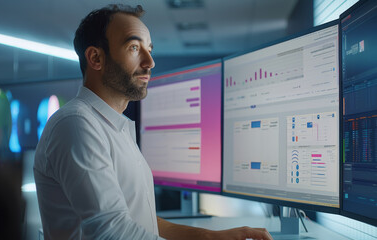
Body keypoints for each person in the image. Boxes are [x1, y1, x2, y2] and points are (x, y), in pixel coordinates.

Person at [34, 4, 273, 240]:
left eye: (149, 49)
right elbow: (113, 232)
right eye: (135, 47)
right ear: (96, 58)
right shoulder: (77, 125)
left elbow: (142, 222)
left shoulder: (113, 126)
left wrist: (212, 238)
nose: (150, 62)